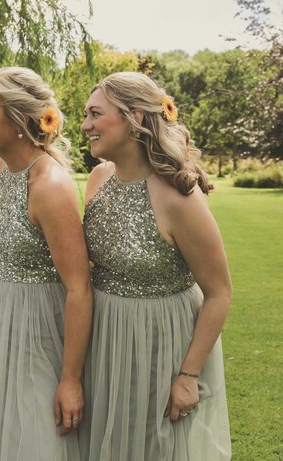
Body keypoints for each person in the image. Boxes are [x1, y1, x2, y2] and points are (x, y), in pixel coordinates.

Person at [80, 71, 232, 460]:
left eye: (95, 114)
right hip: (104, 334)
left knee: (152, 447)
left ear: (134, 119)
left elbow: (219, 293)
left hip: (160, 339)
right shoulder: (98, 179)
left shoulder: (179, 197)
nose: (85, 125)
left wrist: (188, 375)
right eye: (85, 115)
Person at [0, 67, 93, 460]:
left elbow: (79, 288)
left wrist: (70, 379)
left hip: (37, 330)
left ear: (18, 120)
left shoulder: (50, 187)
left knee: (33, 434)